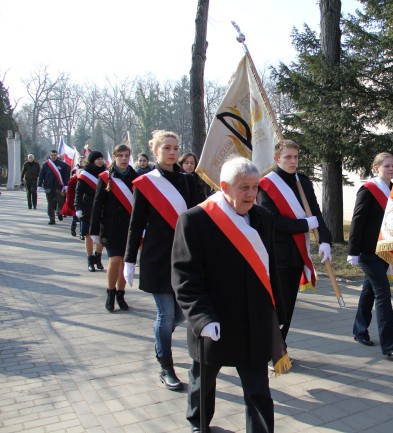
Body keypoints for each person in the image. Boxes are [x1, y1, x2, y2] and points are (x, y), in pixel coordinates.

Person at [172, 156, 288, 433]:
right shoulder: (195, 220)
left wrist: (278, 313)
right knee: (203, 381)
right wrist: (201, 319)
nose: (251, 194)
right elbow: (185, 277)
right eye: (244, 188)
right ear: (224, 186)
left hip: (254, 321)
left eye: (255, 187)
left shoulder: (263, 218)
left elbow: (271, 270)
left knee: (258, 389)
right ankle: (198, 426)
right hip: (215, 320)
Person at [123, 130, 200, 391]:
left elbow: (198, 218)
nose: (172, 152)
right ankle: (166, 366)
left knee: (180, 315)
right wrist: (129, 260)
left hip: (184, 257)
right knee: (165, 314)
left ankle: (162, 340)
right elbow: (136, 225)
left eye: (176, 148)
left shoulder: (188, 181)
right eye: (166, 147)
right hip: (157, 257)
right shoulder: (147, 183)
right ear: (156, 151)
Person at [257, 139, 332, 343]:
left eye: (296, 157)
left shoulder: (303, 182)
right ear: (277, 158)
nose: (293, 161)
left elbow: (315, 213)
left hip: (298, 254)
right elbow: (272, 221)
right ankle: (272, 347)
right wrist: (303, 225)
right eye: (288, 157)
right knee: (277, 305)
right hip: (277, 254)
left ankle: (281, 346)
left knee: (289, 305)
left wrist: (325, 240)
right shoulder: (266, 185)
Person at [347, 152, 393, 358]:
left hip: (384, 251)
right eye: (387, 166)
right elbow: (357, 221)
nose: (391, 169)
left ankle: (359, 330)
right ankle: (391, 346)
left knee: (369, 291)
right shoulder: (368, 190)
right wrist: (353, 251)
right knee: (383, 294)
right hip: (367, 252)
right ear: (376, 168)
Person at [90, 144, 139, 313]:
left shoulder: (136, 177)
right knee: (115, 260)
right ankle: (110, 293)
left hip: (129, 228)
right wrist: (94, 231)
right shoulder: (105, 177)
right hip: (110, 227)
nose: (124, 159)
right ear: (115, 157)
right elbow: (97, 205)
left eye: (127, 155)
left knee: (125, 262)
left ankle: (120, 293)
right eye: (121, 156)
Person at [75, 151, 106, 272]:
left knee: (101, 236)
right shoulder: (85, 174)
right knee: (88, 235)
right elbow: (79, 192)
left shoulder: (106, 173)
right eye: (97, 159)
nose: (100, 161)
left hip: (102, 209)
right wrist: (78, 207)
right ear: (92, 160)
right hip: (88, 208)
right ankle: (90, 260)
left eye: (101, 159)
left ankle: (98, 258)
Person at [38, 149, 71, 225]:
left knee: (61, 202)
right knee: (50, 203)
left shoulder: (62, 165)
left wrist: (66, 185)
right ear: (50, 155)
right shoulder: (45, 164)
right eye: (52, 155)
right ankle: (51, 219)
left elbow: (66, 176)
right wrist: (39, 185)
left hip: (59, 187)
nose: (53, 157)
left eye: (55, 155)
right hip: (48, 187)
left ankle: (59, 212)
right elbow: (41, 175)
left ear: (57, 155)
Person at [61, 168, 80, 238]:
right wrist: (70, 201)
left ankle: (82, 233)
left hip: (83, 201)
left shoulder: (84, 180)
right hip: (75, 201)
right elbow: (69, 193)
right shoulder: (72, 181)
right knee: (75, 216)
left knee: (83, 218)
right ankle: (73, 228)